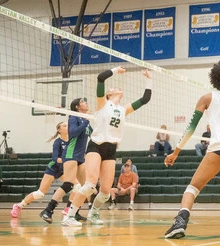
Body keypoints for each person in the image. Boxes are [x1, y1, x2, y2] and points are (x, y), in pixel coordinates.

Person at [164, 61, 220, 239]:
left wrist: (176, 152)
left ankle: (180, 224)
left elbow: (191, 127)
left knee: (193, 188)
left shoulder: (207, 97)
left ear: (214, 78)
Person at [61, 66, 152, 226]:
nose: (118, 88)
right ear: (109, 94)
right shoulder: (102, 104)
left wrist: (148, 79)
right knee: (90, 184)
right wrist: (117, 70)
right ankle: (69, 216)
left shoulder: (123, 110)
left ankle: (93, 214)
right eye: (114, 88)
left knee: (105, 192)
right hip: (96, 146)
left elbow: (145, 99)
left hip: (111, 149)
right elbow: (101, 78)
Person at [39, 98, 92, 223]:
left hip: (80, 156)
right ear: (77, 107)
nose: (86, 103)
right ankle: (47, 210)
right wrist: (86, 122)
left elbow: (92, 135)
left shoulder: (86, 121)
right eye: (83, 102)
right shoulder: (74, 117)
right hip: (71, 153)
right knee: (69, 184)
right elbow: (73, 133)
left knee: (86, 186)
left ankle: (75, 212)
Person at [11, 122, 68, 218]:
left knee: (76, 186)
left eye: (68, 125)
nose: (68, 127)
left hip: (63, 169)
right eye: (65, 126)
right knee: (40, 194)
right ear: (59, 130)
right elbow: (54, 158)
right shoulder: (57, 142)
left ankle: (68, 209)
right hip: (53, 168)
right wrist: (66, 160)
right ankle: (18, 206)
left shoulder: (71, 141)